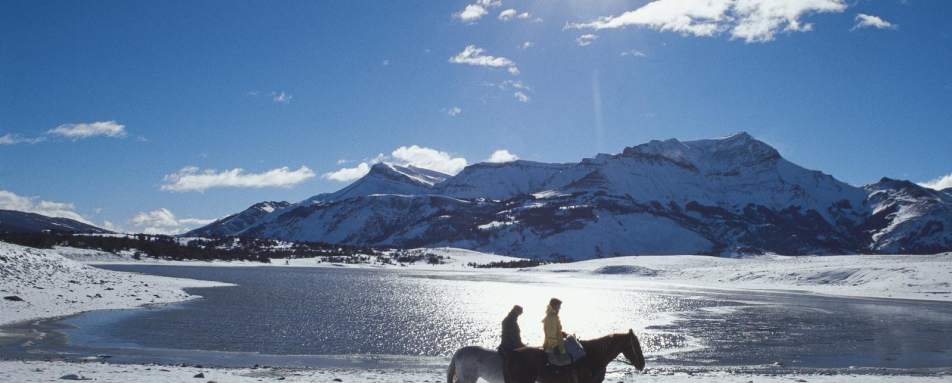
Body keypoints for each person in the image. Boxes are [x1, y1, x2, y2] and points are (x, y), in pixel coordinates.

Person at [498, 305, 525, 383]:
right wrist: (519, 345)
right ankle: (508, 378)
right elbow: (511, 336)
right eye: (520, 312)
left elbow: (516, 336)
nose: (520, 314)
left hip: (514, 344)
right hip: (508, 346)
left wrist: (521, 345)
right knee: (510, 361)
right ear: (516, 311)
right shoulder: (508, 321)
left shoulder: (513, 320)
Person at [542, 298, 572, 366]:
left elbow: (556, 331)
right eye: (559, 306)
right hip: (552, 347)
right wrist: (559, 348)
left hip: (556, 344)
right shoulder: (551, 317)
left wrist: (562, 334)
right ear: (554, 306)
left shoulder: (554, 316)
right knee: (567, 360)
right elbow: (551, 335)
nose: (560, 308)